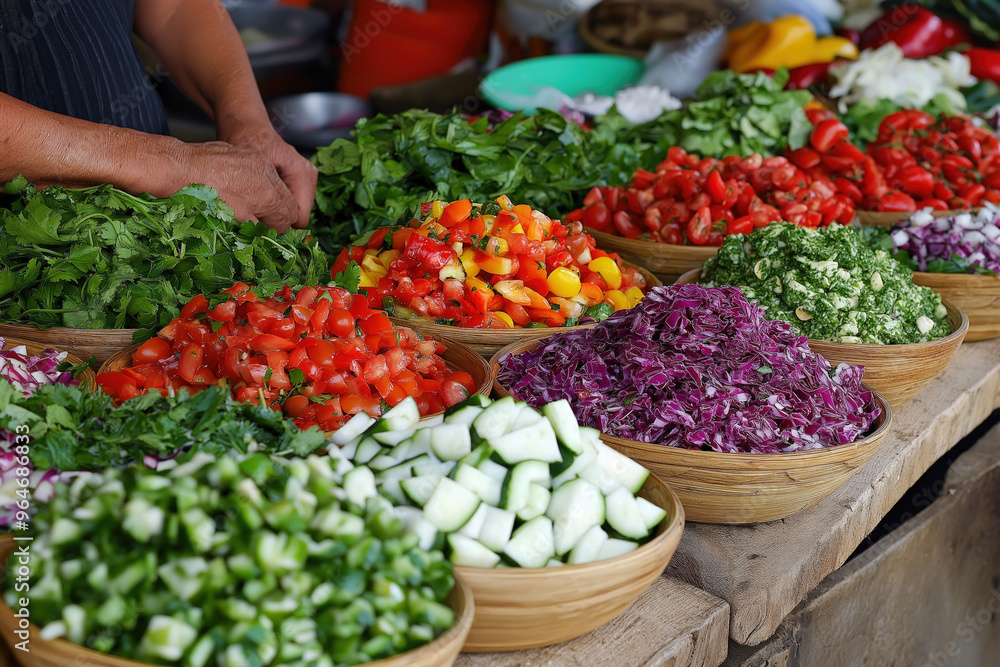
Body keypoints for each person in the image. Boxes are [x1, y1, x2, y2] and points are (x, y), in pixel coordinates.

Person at [0, 0, 317, 232]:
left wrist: (248, 122)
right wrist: (169, 163)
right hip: (23, 257)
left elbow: (174, 8)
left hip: (160, 237)